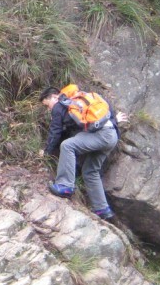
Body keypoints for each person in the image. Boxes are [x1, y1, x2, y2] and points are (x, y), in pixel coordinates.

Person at [40, 86, 120, 220]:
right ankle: (103, 210)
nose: (49, 109)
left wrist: (46, 153)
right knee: (90, 171)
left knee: (67, 146)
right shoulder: (82, 99)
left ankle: (65, 185)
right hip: (112, 135)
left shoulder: (60, 105)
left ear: (54, 97)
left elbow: (55, 132)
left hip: (102, 136)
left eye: (47, 105)